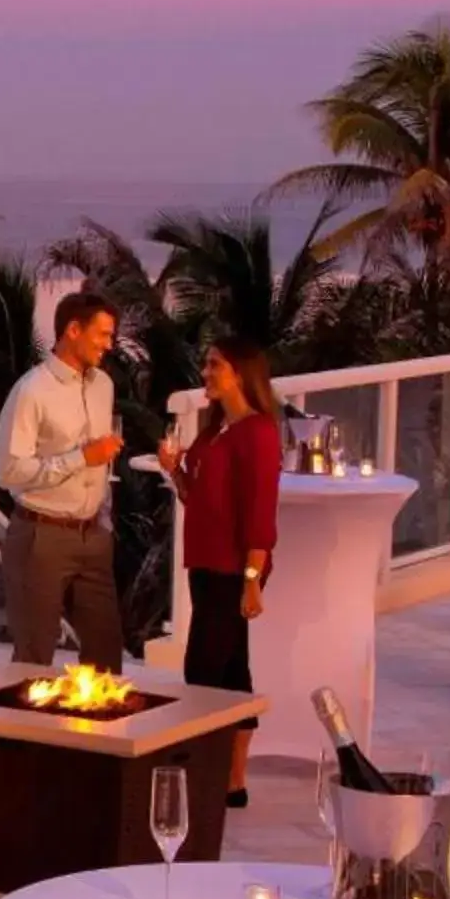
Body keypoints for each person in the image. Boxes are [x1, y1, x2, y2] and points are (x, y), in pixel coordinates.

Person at [159, 338, 282, 805]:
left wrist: (252, 582)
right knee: (231, 671)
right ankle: (232, 782)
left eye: (215, 365)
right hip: (206, 566)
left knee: (205, 672)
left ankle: (206, 776)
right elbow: (200, 500)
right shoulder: (215, 431)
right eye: (206, 364)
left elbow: (260, 516)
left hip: (233, 570)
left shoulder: (259, 433)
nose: (205, 372)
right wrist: (175, 471)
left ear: (240, 373)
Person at [0, 290, 126, 671]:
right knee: (34, 659)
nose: (109, 344)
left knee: (106, 654)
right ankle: (23, 732)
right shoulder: (31, 391)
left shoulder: (103, 386)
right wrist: (80, 458)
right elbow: (9, 471)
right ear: (73, 330)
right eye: (102, 335)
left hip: (94, 536)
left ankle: (89, 731)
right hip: (41, 537)